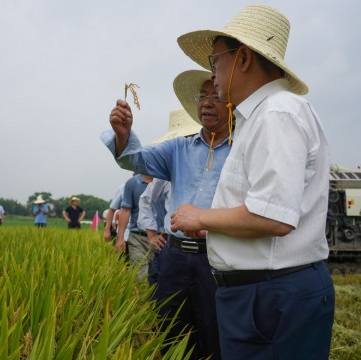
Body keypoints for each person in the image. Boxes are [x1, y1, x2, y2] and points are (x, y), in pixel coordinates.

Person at [172, 5, 334, 359]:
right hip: (262, 295)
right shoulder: (259, 116)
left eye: (216, 62)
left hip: (271, 297)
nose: (212, 75)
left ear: (243, 58)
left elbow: (273, 216)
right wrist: (216, 228)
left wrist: (200, 218)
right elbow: (264, 205)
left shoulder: (277, 113)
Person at [102, 69, 231, 360]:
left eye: (215, 96)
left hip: (218, 259)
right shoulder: (178, 148)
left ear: (231, 103)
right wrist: (123, 136)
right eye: (202, 96)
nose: (207, 103)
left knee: (213, 336)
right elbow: (137, 159)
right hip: (174, 258)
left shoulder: (242, 151)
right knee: (169, 331)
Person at [137, 108, 203, 286]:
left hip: (209, 248)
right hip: (174, 244)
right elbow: (145, 199)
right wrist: (151, 234)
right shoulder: (170, 168)